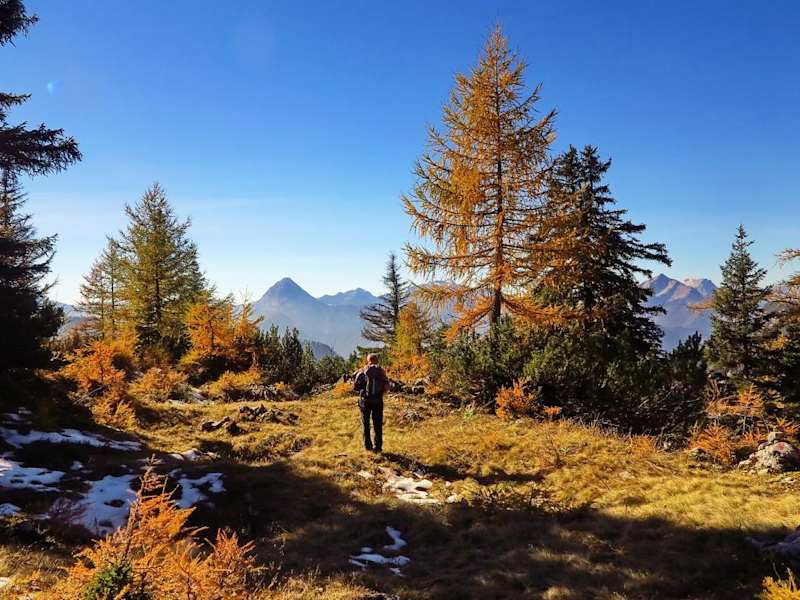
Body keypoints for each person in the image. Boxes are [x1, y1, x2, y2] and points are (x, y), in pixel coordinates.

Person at [353, 354, 390, 453]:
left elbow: (356, 387)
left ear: (368, 361)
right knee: (377, 424)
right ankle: (378, 447)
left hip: (365, 401)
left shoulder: (362, 371)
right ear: (377, 361)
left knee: (365, 423)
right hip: (378, 401)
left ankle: (368, 446)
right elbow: (387, 388)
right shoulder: (381, 371)